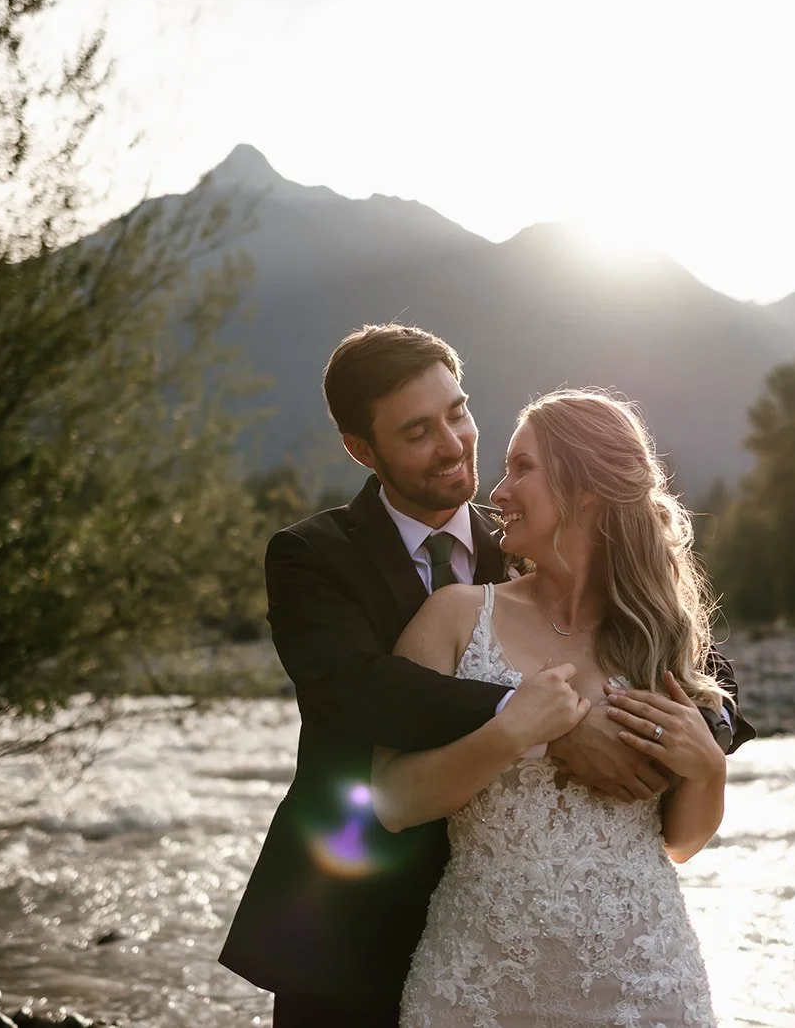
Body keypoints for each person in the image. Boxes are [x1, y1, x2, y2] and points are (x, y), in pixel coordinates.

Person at [217, 325, 751, 1027]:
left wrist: (693, 740)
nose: (454, 442)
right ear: (362, 449)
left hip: (571, 933)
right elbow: (354, 692)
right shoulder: (313, 556)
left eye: (458, 412)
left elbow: (701, 671)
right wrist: (548, 724)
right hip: (359, 914)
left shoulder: (533, 537)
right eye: (417, 431)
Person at [372, 388, 732, 1027]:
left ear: (586, 488)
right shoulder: (456, 617)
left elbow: (678, 842)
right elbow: (393, 802)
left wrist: (708, 770)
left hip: (642, 984)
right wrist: (512, 733)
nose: (498, 491)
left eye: (523, 467)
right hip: (480, 986)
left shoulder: (657, 635)